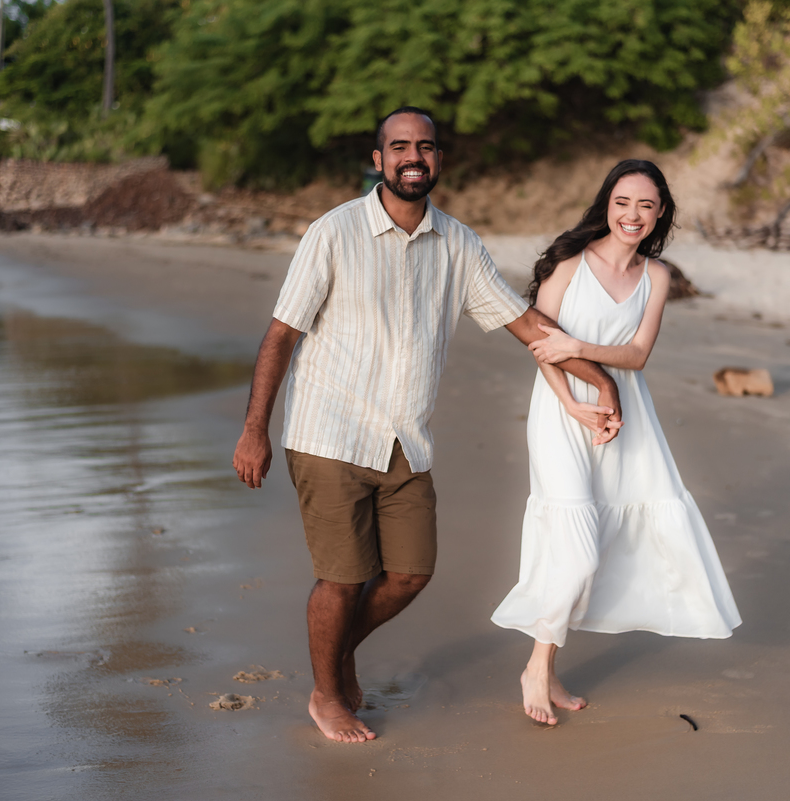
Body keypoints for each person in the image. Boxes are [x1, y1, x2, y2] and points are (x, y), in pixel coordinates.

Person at [232, 107, 623, 743]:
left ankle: (336, 657)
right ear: (379, 158)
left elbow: (526, 324)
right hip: (328, 433)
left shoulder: (460, 244)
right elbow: (282, 334)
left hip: (405, 439)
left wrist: (599, 376)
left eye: (426, 147)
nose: (414, 157)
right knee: (343, 578)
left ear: (439, 159)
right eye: (400, 147)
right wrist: (255, 429)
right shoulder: (333, 233)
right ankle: (328, 696)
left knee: (412, 572)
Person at [491, 159, 742, 725]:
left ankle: (548, 668)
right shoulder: (569, 262)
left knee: (606, 541)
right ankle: (535, 666)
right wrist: (571, 401)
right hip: (560, 414)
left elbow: (636, 355)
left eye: (646, 206)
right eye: (623, 202)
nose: (633, 215)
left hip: (625, 416)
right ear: (607, 203)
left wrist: (582, 353)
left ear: (660, 215)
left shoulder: (656, 277)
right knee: (576, 549)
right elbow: (539, 341)